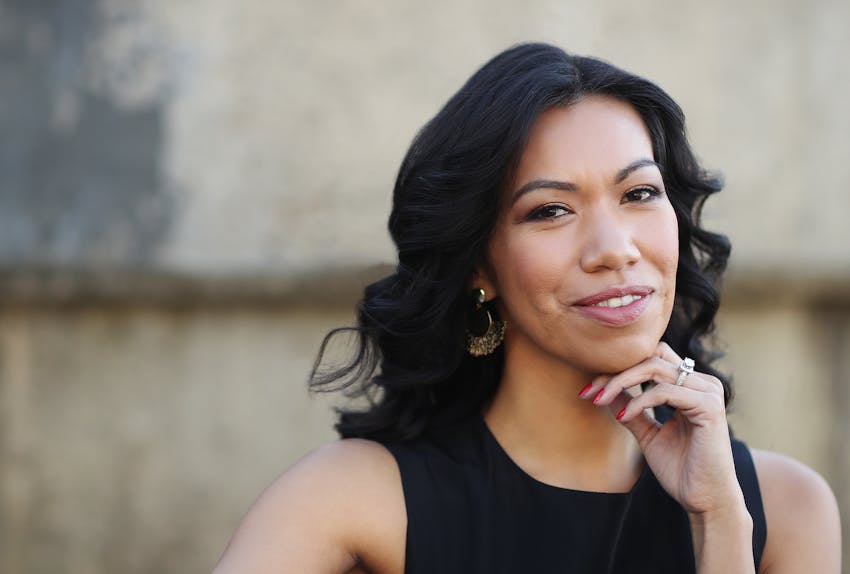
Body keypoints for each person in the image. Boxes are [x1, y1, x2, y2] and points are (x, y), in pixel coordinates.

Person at [213, 43, 841, 573]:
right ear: (479, 268)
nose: (614, 250)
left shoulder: (786, 510)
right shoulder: (351, 499)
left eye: (640, 193)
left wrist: (720, 525)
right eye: (550, 210)